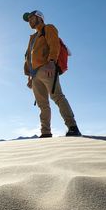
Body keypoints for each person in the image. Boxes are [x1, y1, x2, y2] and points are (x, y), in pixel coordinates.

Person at [22, 10, 81, 138]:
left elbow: (54, 45)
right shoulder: (32, 38)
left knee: (58, 97)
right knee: (42, 105)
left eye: (32, 18)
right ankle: (46, 132)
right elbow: (28, 58)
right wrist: (29, 77)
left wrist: (52, 62)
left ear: (40, 18)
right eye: (29, 20)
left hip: (47, 67)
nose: (30, 21)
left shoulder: (48, 28)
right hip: (35, 75)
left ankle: (73, 127)